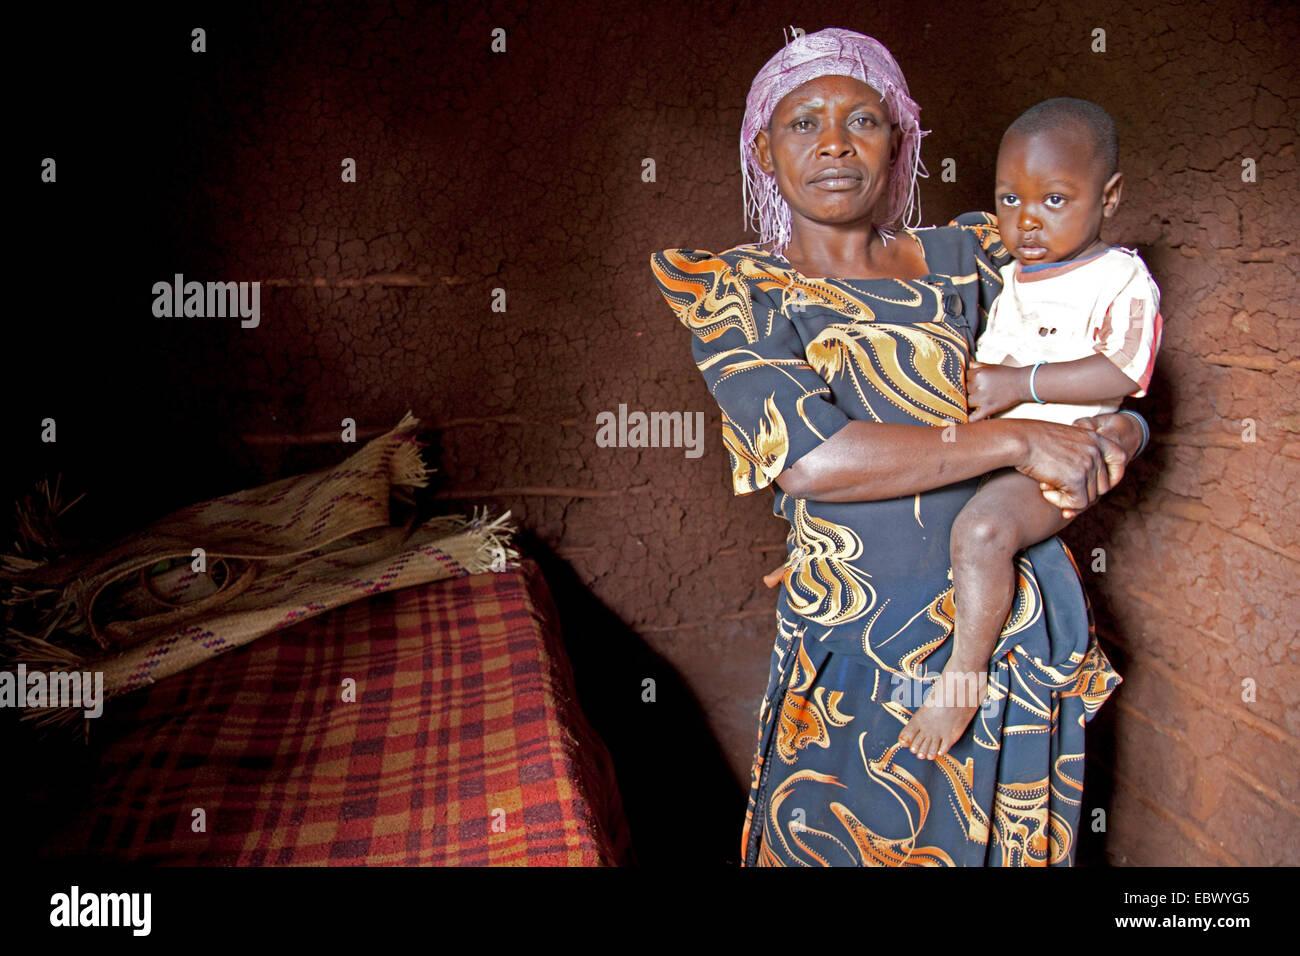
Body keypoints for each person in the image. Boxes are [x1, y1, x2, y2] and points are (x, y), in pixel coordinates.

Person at [649, 27, 1149, 866]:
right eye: (802, 123)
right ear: (763, 155)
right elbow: (816, 459)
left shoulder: (979, 256)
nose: (835, 143)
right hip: (855, 642)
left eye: (864, 120)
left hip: (1005, 640)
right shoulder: (742, 296)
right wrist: (1019, 436)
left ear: (901, 139)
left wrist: (1120, 434)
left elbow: (1110, 368)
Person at [895, 98, 1163, 762]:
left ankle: (964, 675)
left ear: (1110, 197)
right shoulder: (1011, 276)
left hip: (1063, 454)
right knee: (906, 503)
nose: (1027, 219)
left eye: (1053, 199)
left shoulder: (1120, 277)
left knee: (983, 531)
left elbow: (1120, 372)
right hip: (1000, 449)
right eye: (1010, 198)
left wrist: (1018, 385)